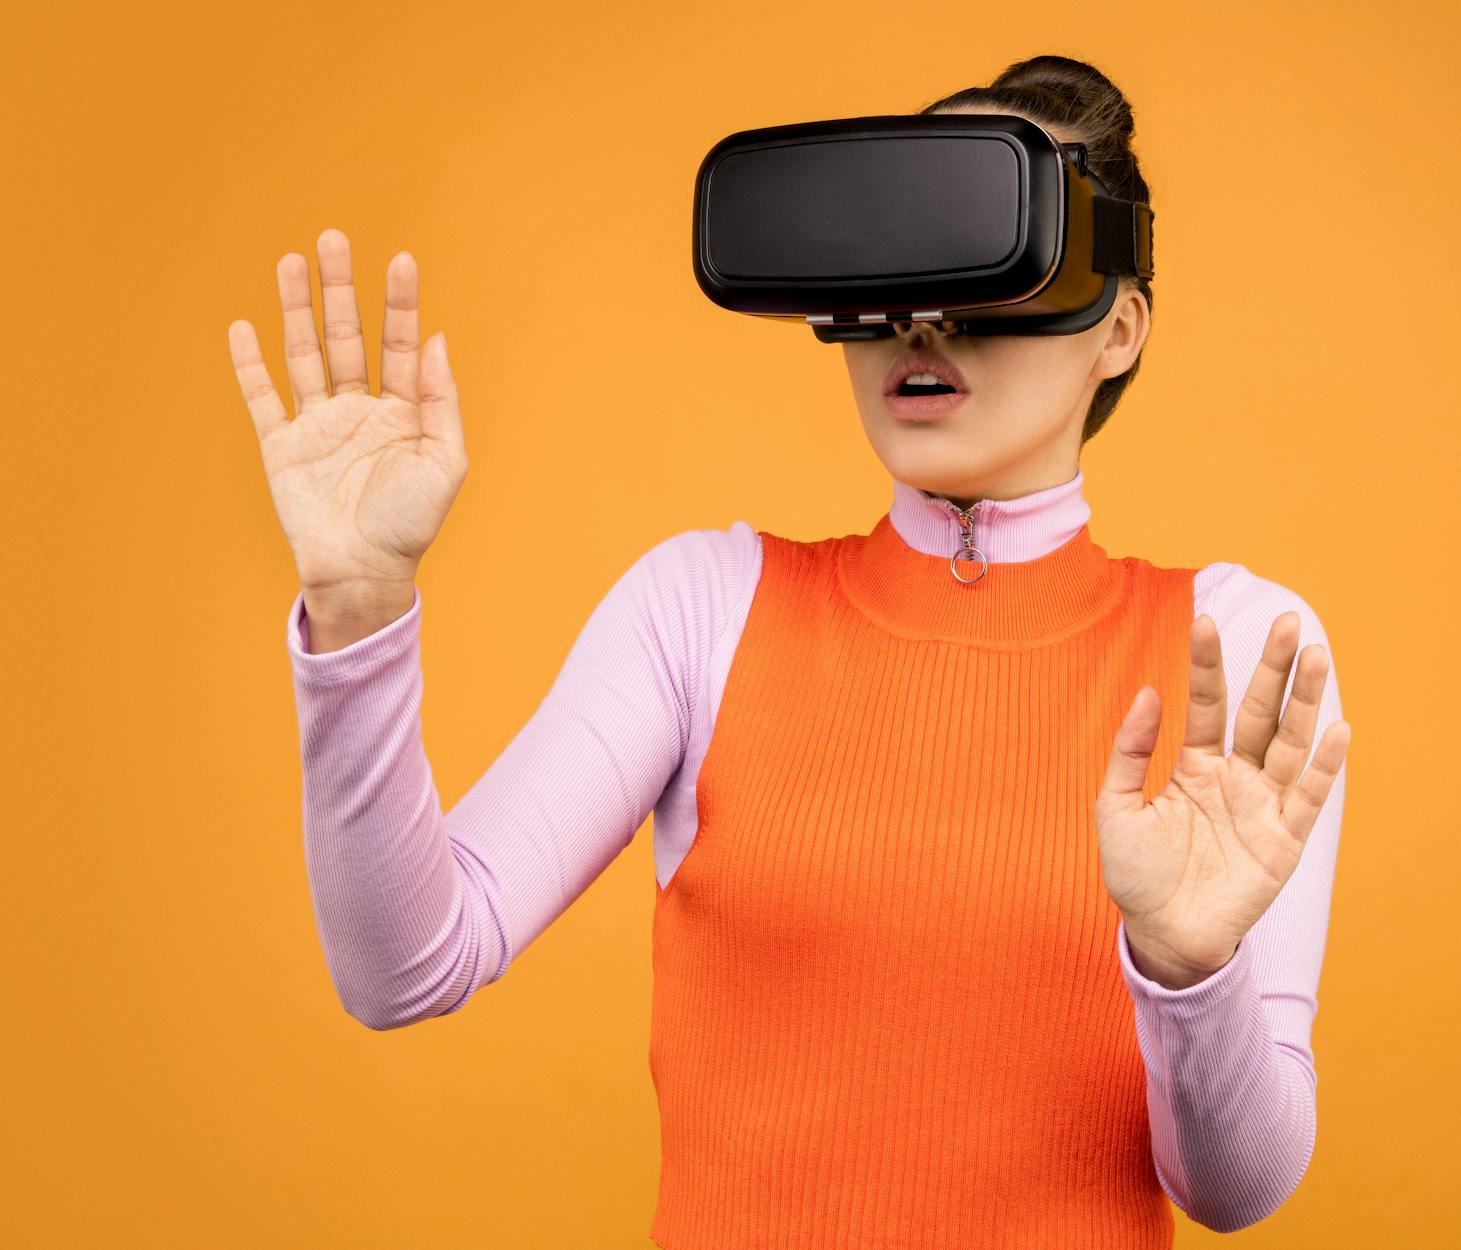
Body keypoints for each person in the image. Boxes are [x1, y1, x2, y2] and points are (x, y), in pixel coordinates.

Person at [226, 54, 1352, 1250]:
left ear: (1116, 329)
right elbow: (404, 965)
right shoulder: (701, 606)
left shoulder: (1226, 649)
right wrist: (357, 612)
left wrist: (1188, 967)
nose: (922, 320)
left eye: (983, 259)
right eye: (893, 261)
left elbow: (1236, 1189)